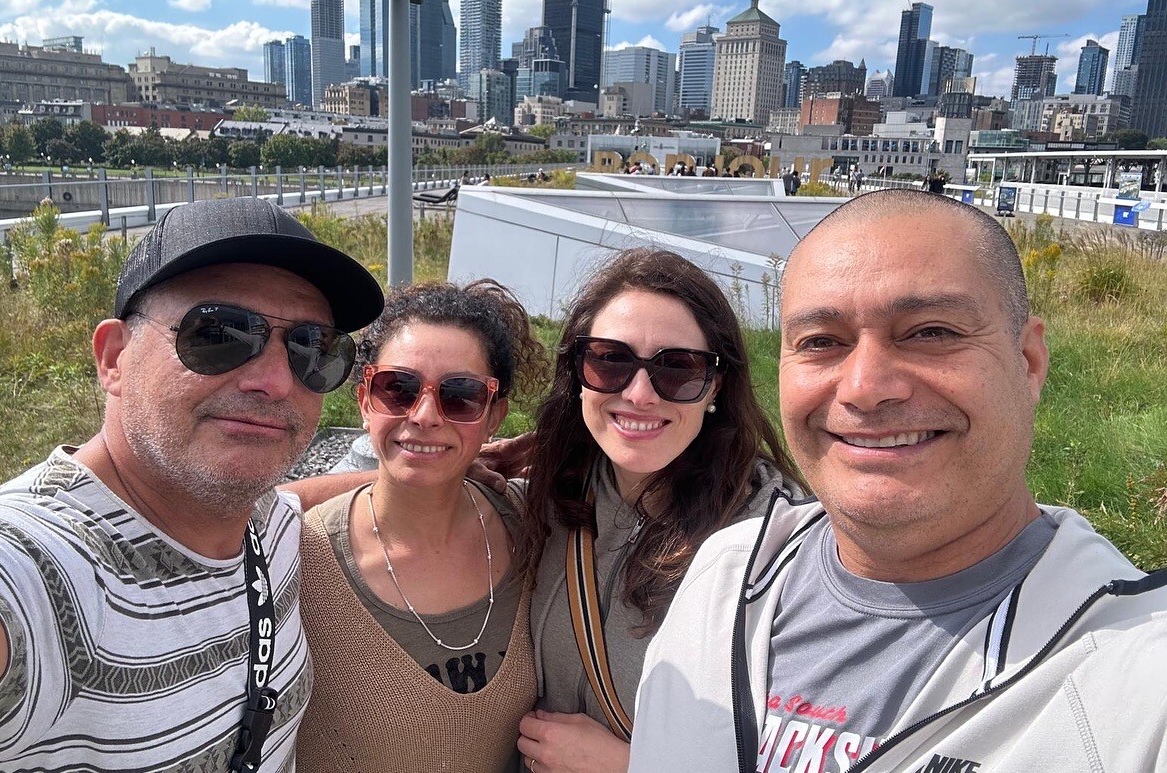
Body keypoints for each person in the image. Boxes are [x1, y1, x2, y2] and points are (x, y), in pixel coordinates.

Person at [630, 190, 1167, 772]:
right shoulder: (721, 577)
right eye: (821, 342)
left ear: (1028, 362)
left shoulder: (1138, 676)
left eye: (930, 332)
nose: (865, 388)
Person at [0, 196, 384, 771]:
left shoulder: (263, 524)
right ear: (114, 358)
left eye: (312, 349)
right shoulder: (29, 572)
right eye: (218, 333)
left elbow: (296, 497)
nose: (274, 381)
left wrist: (428, 472)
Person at [514, 249, 804, 773]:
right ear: (578, 373)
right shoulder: (548, 499)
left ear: (715, 386)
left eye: (678, 368)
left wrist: (630, 765)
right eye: (610, 360)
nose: (639, 394)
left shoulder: (776, 549)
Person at [297, 281, 546, 773]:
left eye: (461, 396)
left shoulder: (532, 525)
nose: (425, 415)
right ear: (364, 400)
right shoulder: (298, 555)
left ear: (494, 416)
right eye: (399, 389)